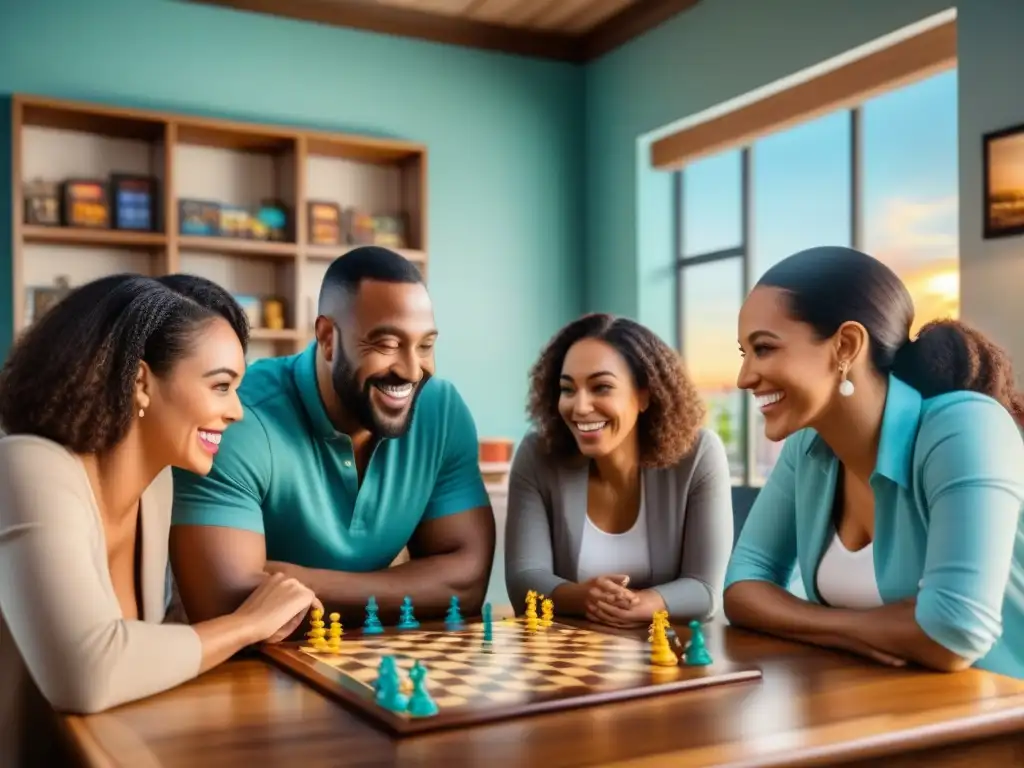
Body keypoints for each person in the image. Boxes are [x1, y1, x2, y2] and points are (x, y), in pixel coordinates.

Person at [0, 273, 321, 767]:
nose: (236, 410)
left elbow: (145, 655)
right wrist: (245, 624)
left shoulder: (157, 486)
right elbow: (87, 674)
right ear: (141, 381)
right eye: (221, 386)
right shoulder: (25, 466)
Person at [724, 245, 1024, 679]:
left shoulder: (964, 427)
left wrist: (808, 620)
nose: (744, 377)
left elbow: (955, 632)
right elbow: (742, 587)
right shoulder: (806, 448)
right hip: (886, 712)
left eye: (764, 349)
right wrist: (857, 629)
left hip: (1001, 725)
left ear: (846, 345)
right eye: (744, 353)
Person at [169, 247, 495, 626]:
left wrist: (295, 582)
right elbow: (223, 602)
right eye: (387, 344)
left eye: (425, 346)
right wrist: (413, 587)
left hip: (376, 664)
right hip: (244, 672)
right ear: (327, 337)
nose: (411, 370)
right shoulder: (239, 418)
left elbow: (467, 585)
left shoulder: (442, 412)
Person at [504, 313, 734, 628]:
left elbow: (705, 590)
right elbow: (524, 581)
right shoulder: (537, 456)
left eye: (601, 387)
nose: (580, 406)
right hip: (573, 659)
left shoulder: (699, 456)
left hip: (669, 661)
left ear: (645, 394)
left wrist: (644, 603)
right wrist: (582, 597)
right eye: (568, 389)